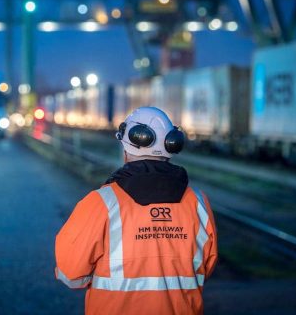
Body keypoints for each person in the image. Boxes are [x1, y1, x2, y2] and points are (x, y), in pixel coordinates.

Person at [55, 107, 218, 315]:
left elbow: (71, 274)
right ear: (171, 145)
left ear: (126, 148)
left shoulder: (100, 203)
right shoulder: (198, 203)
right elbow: (206, 266)